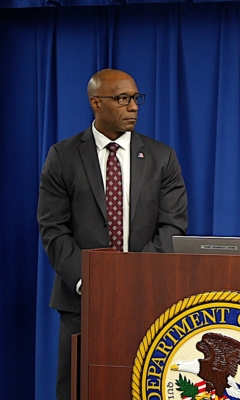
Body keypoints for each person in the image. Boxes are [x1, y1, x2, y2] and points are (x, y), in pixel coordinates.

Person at [37, 69, 188, 400]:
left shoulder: (162, 157)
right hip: (81, 301)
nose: (133, 107)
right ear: (96, 103)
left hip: (146, 296)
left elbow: (173, 226)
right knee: (78, 389)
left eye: (136, 98)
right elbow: (53, 228)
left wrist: (133, 278)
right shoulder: (63, 156)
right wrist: (90, 280)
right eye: (122, 99)